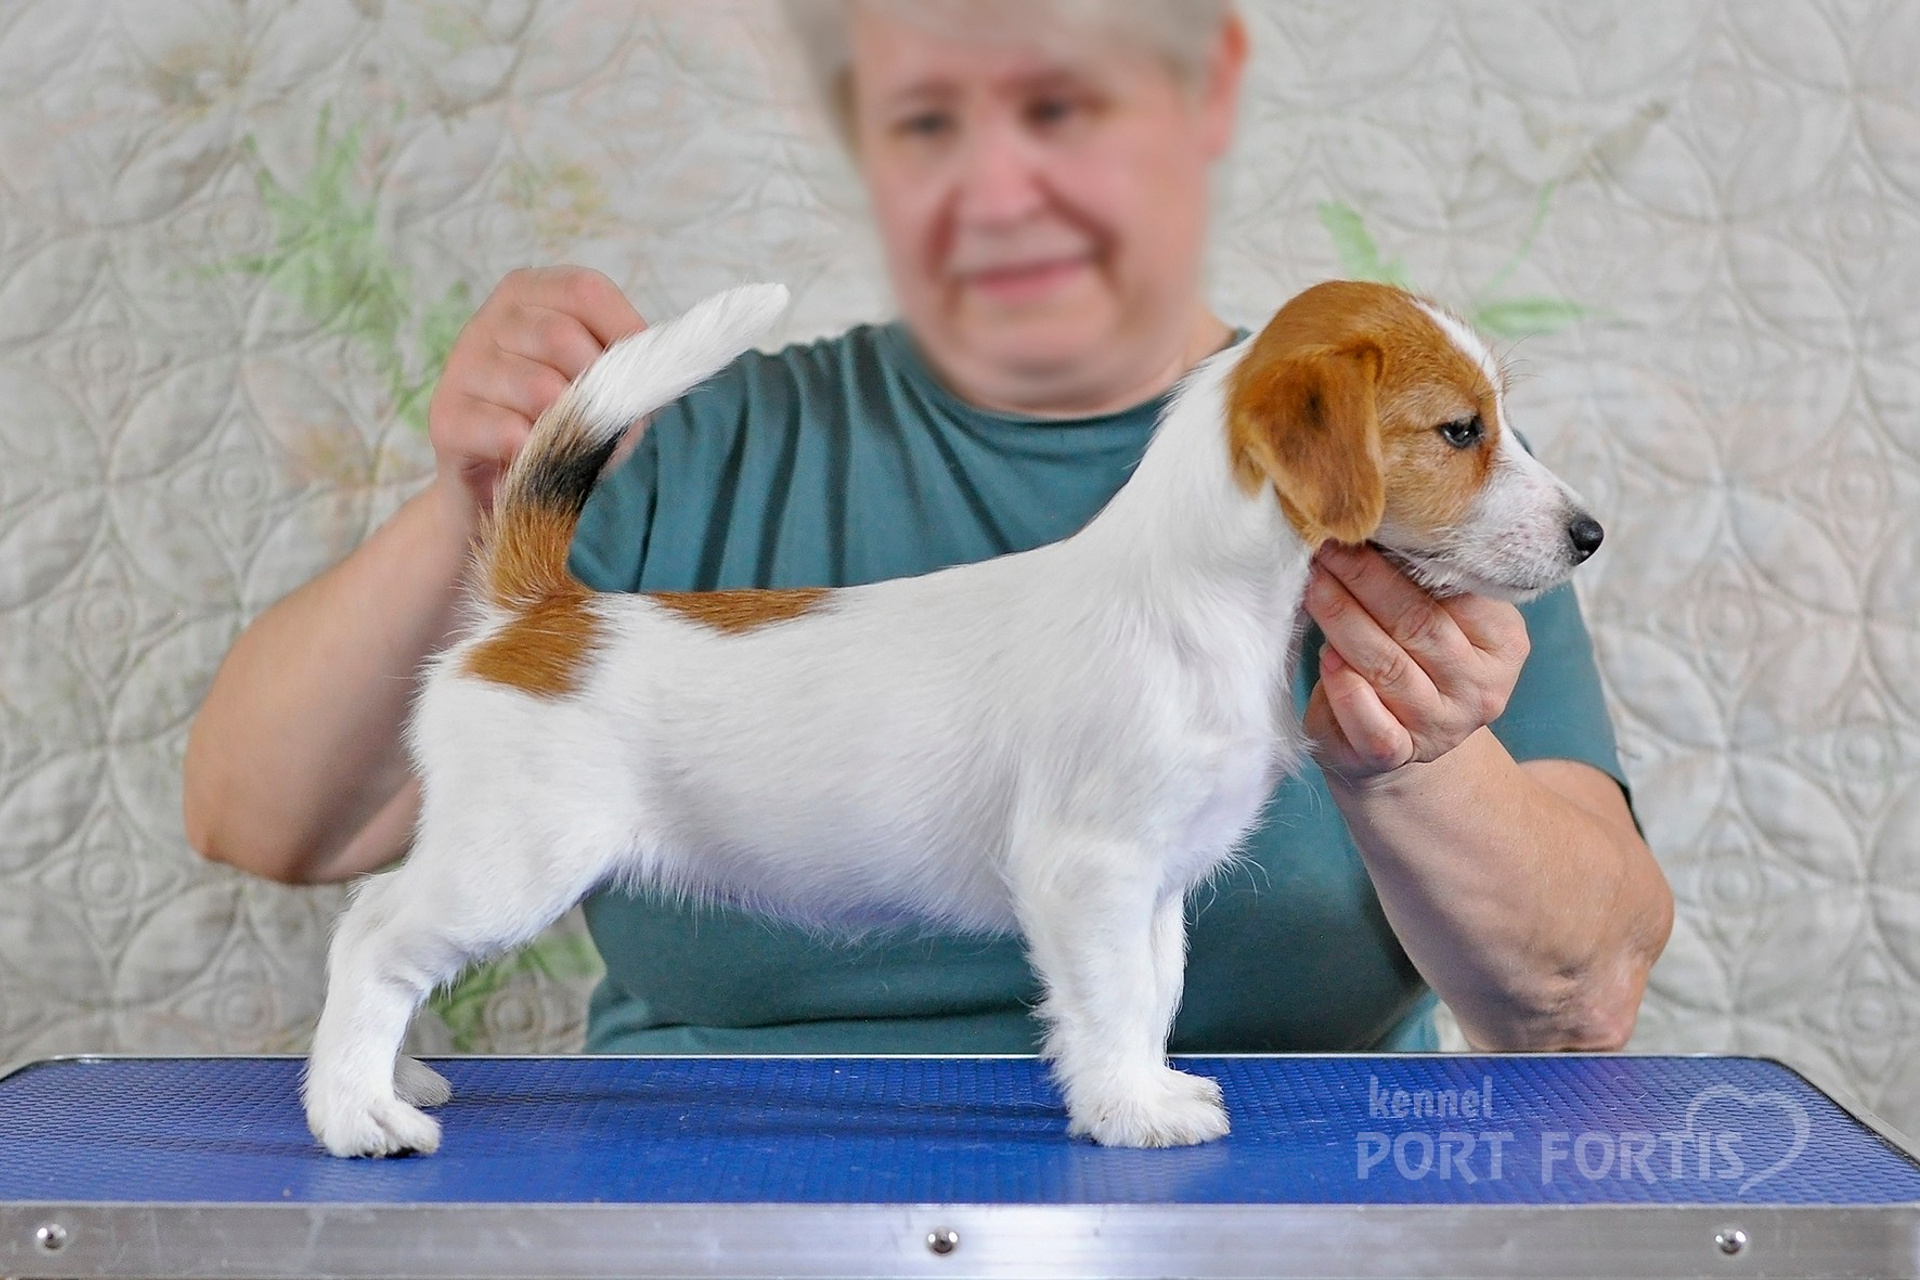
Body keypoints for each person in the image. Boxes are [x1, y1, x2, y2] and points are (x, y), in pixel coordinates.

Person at [183, 0, 1671, 1056]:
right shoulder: (689, 439)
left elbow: (1580, 996)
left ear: (1206, 92)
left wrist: (1413, 758)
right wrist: (477, 496)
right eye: (925, 116)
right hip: (703, 1201)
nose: (999, 182)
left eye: (1066, 104)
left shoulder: (1403, 456)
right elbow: (263, 819)